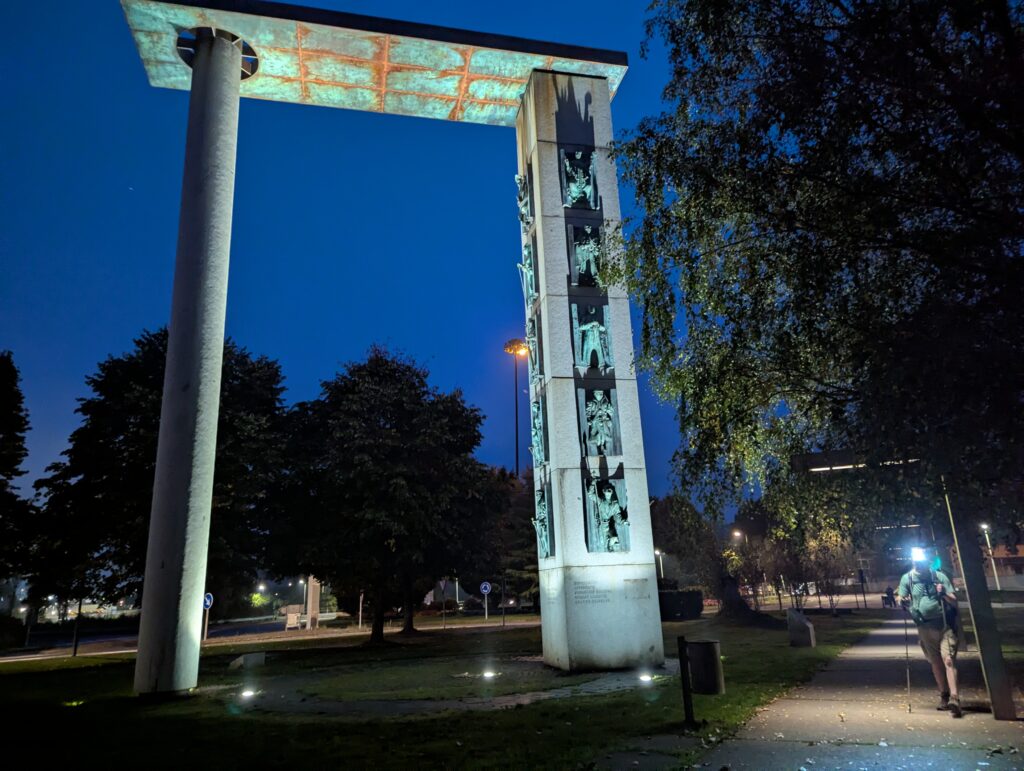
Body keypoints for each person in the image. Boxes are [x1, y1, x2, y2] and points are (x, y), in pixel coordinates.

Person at [897, 552, 962, 717]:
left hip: (945, 625)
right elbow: (901, 596)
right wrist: (902, 601)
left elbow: (954, 600)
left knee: (948, 659)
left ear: (928, 562)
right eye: (916, 562)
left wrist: (943, 593)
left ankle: (955, 698)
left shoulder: (939, 577)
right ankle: (944, 695)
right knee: (935, 662)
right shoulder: (908, 579)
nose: (919, 565)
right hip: (924, 626)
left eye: (922, 562)